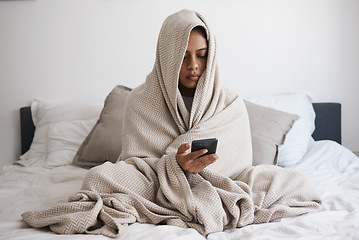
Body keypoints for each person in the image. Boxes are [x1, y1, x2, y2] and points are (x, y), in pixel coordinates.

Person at [22, 9, 321, 238]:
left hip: (220, 181)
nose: (194, 65)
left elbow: (238, 162)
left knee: (293, 183)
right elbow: (135, 160)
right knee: (97, 179)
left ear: (211, 56)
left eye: (202, 56)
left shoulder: (228, 100)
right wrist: (174, 166)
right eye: (183, 57)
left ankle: (190, 192)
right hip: (153, 181)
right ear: (166, 58)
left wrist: (197, 169)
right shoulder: (140, 99)